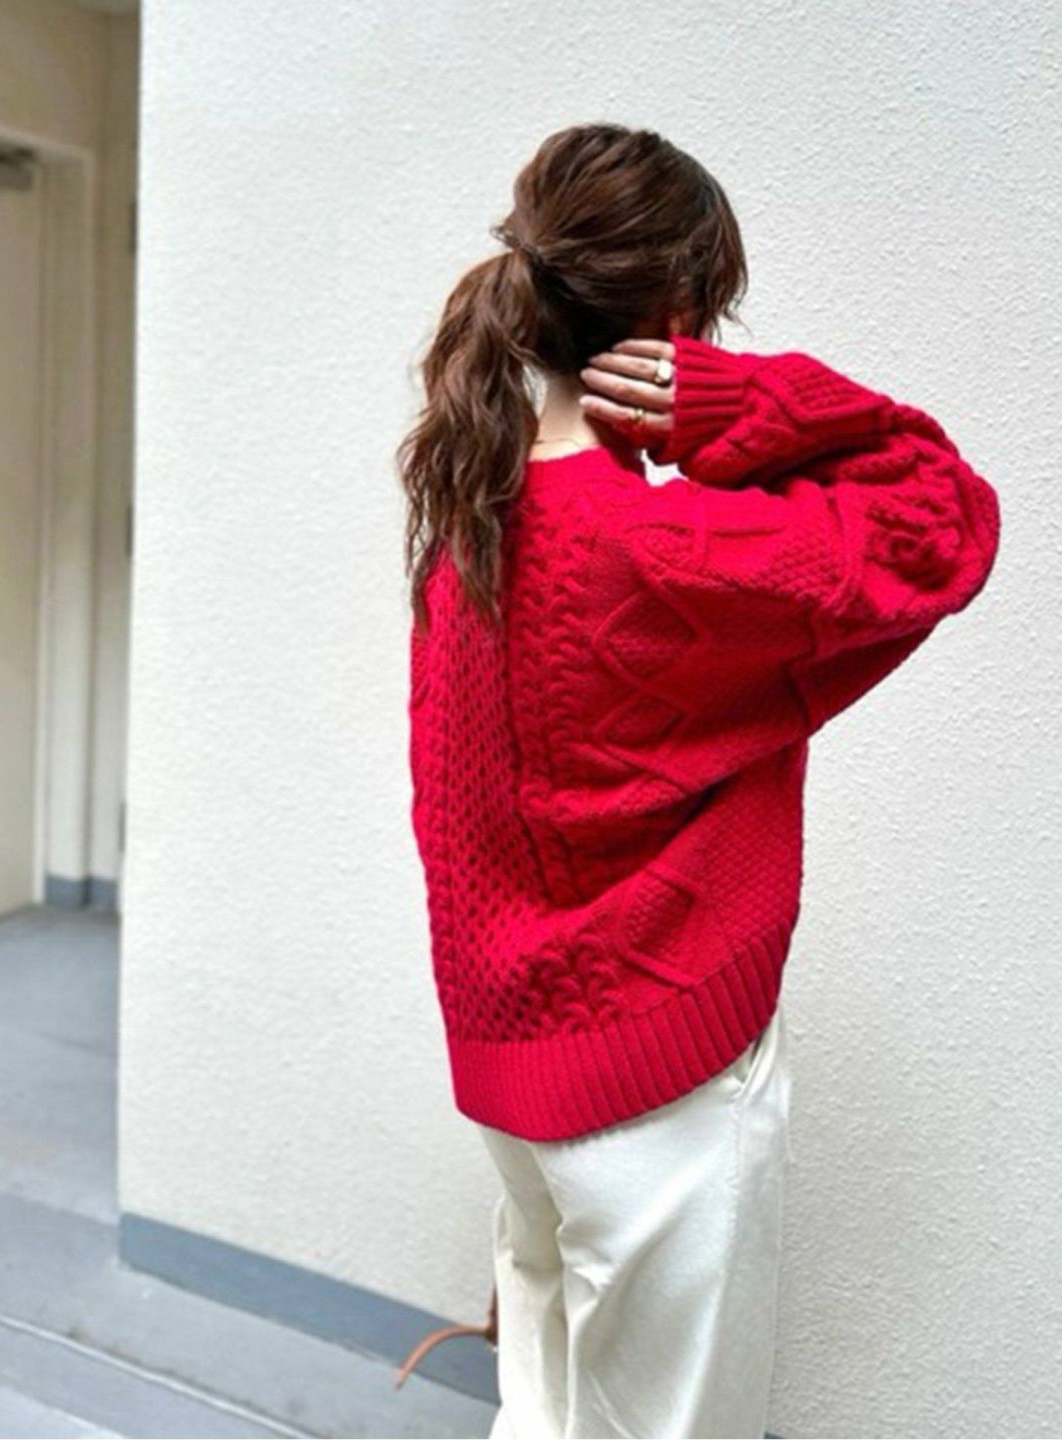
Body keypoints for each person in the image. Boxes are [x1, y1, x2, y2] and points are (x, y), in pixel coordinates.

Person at [396, 123, 1001, 1440]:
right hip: (653, 1091)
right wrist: (736, 405)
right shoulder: (664, 547)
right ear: (677, 319)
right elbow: (943, 513)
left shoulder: (466, 523)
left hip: (512, 1071)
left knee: (542, 1410)